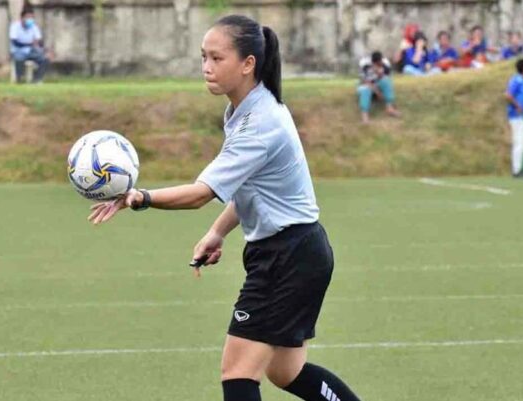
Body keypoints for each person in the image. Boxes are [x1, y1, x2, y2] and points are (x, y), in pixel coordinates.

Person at [88, 14, 364, 401]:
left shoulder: (259, 122)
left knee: (237, 373)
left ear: (248, 64)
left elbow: (201, 192)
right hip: (298, 252)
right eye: (203, 57)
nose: (206, 67)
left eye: (217, 58)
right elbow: (248, 187)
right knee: (286, 372)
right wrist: (217, 232)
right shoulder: (242, 110)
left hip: (287, 257)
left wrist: (141, 197)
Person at [9, 9, 50, 83]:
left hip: (31, 50)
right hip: (18, 50)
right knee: (19, 59)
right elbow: (15, 42)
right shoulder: (15, 26)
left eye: (31, 18)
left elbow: (39, 41)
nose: (30, 20)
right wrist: (30, 44)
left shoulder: (34, 27)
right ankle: (19, 79)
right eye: (28, 17)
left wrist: (44, 49)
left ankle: (37, 79)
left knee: (45, 59)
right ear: (22, 18)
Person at [357, 51, 399, 123]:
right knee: (365, 90)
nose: (377, 65)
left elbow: (388, 79)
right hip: (366, 84)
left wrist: (380, 74)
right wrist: (378, 92)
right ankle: (365, 116)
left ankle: (389, 108)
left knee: (385, 80)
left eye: (379, 64)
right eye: (376, 64)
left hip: (377, 82)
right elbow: (364, 81)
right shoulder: (364, 64)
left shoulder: (386, 64)